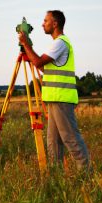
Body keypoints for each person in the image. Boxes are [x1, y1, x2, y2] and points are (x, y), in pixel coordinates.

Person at [18, 10, 90, 173]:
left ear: (55, 23)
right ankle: (56, 179)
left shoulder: (60, 43)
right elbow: (44, 68)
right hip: (54, 100)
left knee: (71, 140)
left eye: (45, 21)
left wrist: (25, 44)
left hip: (62, 99)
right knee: (53, 143)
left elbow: (37, 62)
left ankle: (86, 177)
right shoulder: (57, 44)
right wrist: (28, 49)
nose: (43, 24)